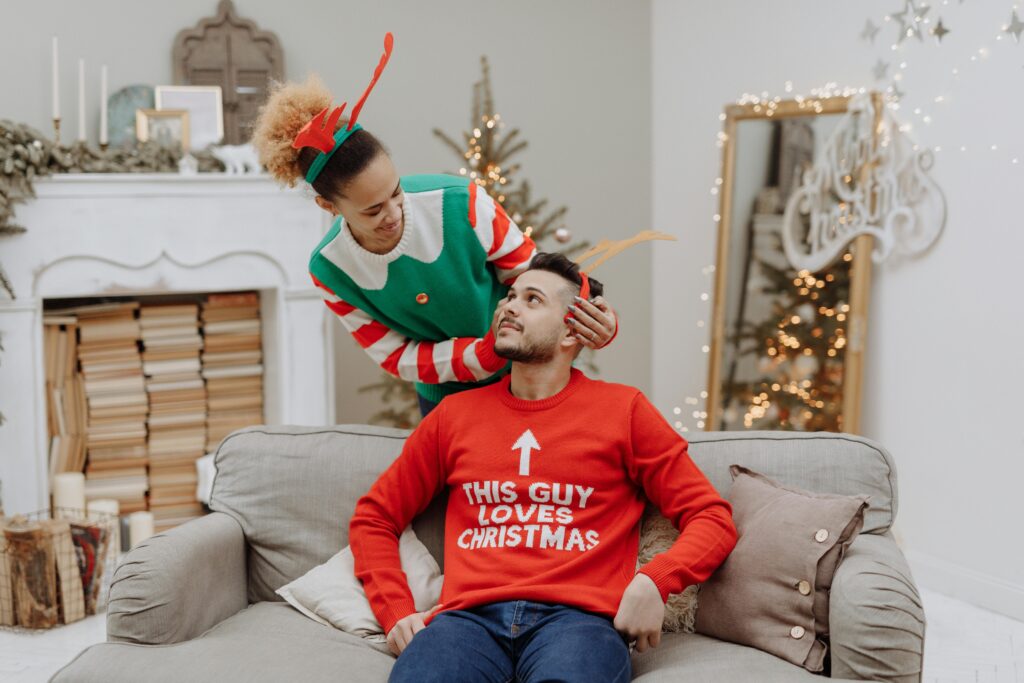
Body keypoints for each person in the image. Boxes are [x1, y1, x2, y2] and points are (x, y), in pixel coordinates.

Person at [349, 252, 737, 682]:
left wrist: (654, 581)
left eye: (533, 300)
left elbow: (711, 518)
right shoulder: (453, 416)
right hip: (465, 623)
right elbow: (374, 517)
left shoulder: (624, 411)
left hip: (578, 624)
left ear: (573, 330)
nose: (509, 306)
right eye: (510, 296)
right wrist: (396, 610)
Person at [251, 34, 617, 416]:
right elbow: (395, 355)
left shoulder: (461, 202)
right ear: (329, 206)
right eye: (373, 210)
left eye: (396, 192)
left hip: (526, 375)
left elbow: (534, 277)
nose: (394, 213)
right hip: (445, 399)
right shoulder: (331, 270)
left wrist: (592, 317)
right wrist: (481, 355)